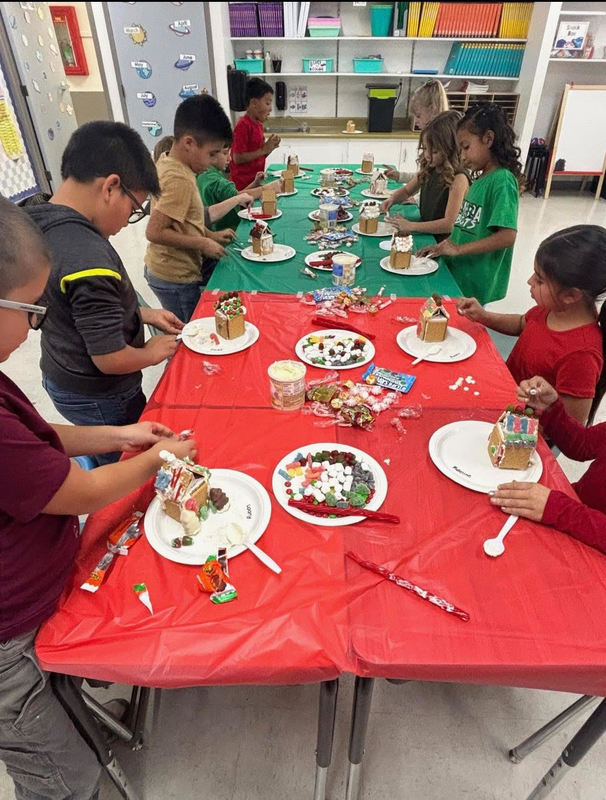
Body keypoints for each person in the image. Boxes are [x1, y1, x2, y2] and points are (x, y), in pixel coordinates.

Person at [0, 197, 197, 800]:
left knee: (63, 710)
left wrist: (120, 435)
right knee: (62, 776)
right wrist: (156, 459)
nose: (35, 328)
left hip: (37, 599)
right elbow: (77, 490)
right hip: (9, 643)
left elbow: (37, 435)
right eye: (30, 311)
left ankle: (73, 715)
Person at [26, 121, 182, 465]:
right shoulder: (89, 260)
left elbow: (80, 311)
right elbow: (109, 358)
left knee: (99, 446)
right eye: (134, 209)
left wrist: (143, 313)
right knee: (123, 461)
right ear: (111, 187)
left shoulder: (39, 217)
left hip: (62, 371)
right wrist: (151, 353)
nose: (127, 222)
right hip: (100, 393)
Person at [457, 225, 606, 424]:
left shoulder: (582, 354)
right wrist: (483, 316)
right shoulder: (553, 309)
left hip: (520, 430)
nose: (529, 281)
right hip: (503, 399)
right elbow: (522, 323)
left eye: (540, 280)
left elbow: (571, 426)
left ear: (571, 295)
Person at [145, 94, 253, 321]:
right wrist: (202, 243)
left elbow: (182, 222)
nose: (213, 161)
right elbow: (154, 232)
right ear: (189, 143)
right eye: (211, 154)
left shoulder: (168, 161)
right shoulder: (179, 179)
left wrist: (210, 234)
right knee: (187, 330)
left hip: (170, 272)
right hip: (174, 277)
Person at [417, 103, 523, 305]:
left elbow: (507, 236)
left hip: (475, 279)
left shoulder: (502, 181)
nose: (462, 156)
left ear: (488, 139)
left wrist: (458, 250)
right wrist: (442, 247)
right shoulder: (480, 179)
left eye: (466, 147)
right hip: (459, 273)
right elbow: (466, 226)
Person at [491, 375, 606, 555]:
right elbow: (583, 444)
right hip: (570, 509)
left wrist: (559, 509)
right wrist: (551, 408)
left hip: (587, 549)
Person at [381, 111, 469, 242]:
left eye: (434, 151)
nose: (427, 155)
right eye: (425, 148)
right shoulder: (430, 167)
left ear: (451, 149)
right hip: (425, 233)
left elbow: (449, 224)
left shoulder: (458, 179)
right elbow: (407, 191)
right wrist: (392, 199)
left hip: (442, 242)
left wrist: (411, 226)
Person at [197, 144, 282, 234]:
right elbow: (237, 196)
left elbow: (236, 198)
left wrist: (255, 184)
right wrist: (267, 188)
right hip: (229, 231)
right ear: (211, 155)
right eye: (225, 153)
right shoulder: (216, 181)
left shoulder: (204, 173)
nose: (229, 159)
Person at [384, 79, 449, 182]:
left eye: (418, 116)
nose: (416, 121)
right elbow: (423, 176)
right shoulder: (429, 137)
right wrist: (400, 176)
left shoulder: (442, 142)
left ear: (432, 109)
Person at [229, 78, 281, 191]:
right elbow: (237, 158)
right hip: (243, 186)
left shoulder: (258, 125)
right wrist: (263, 149)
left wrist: (269, 148)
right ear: (254, 103)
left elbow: (257, 156)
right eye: (267, 103)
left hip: (256, 182)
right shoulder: (243, 125)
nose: (270, 109)